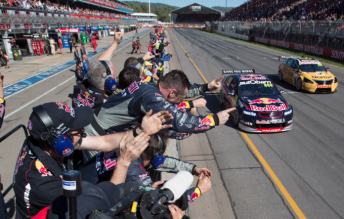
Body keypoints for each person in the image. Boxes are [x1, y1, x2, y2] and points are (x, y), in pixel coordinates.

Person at [13, 102, 172, 219]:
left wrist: (140, 131)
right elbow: (106, 201)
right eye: (77, 129)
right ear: (61, 141)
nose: (82, 131)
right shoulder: (42, 184)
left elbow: (104, 143)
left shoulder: (44, 142)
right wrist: (123, 162)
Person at [85, 70, 235, 139]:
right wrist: (214, 119)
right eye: (178, 98)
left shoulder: (147, 81)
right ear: (171, 92)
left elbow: (179, 91)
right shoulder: (152, 98)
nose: (178, 100)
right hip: (97, 134)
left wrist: (205, 87)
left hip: (94, 121)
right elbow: (180, 120)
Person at [84, 131, 212, 204]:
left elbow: (162, 161)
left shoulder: (128, 149)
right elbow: (157, 201)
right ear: (156, 157)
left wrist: (193, 169)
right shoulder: (133, 169)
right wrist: (198, 190)